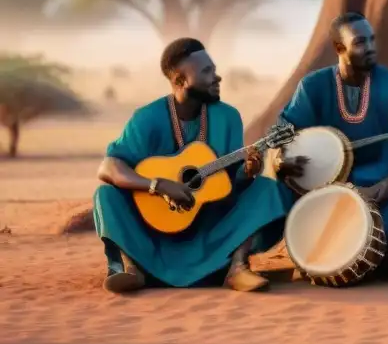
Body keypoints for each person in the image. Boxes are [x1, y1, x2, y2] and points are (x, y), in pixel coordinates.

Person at [94, 38, 303, 294]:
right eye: (206, 72)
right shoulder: (147, 118)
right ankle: (133, 268)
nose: (217, 78)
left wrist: (247, 173)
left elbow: (229, 188)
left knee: (267, 189)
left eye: (213, 70)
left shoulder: (228, 117)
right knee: (106, 195)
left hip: (210, 229)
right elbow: (109, 167)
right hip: (155, 232)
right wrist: (157, 185)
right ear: (180, 82)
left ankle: (237, 268)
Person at [278, 12, 388, 284]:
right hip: (331, 193)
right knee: (276, 179)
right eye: (359, 42)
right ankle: (351, 252)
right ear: (339, 48)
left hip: (384, 190)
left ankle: (374, 251)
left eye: (371, 39)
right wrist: (281, 158)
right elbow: (283, 133)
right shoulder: (313, 87)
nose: (370, 47)